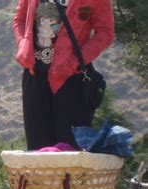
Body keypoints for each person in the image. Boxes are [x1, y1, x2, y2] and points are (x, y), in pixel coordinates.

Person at [13, 0, 114, 150]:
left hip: (72, 78)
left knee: (69, 149)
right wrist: (23, 47)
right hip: (35, 75)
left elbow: (105, 32)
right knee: (38, 149)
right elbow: (19, 20)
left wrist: (75, 62)